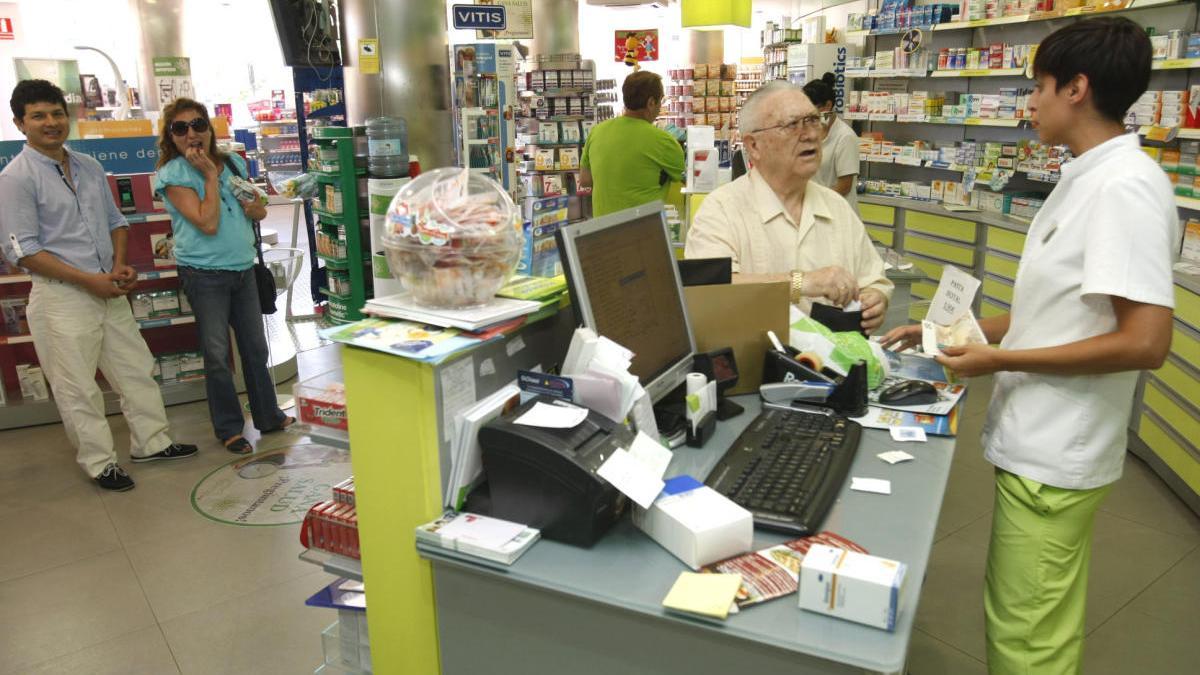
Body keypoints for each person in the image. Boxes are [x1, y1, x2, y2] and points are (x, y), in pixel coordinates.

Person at [882, 18, 1177, 674]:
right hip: (1038, 443)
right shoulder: (1085, 175)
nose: (1030, 102)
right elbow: (1054, 313)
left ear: (1077, 88)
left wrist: (1000, 360)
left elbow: (1147, 341)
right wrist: (950, 334)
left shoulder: (1122, 187)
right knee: (1029, 616)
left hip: (1057, 447)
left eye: (1039, 85)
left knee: (1027, 641)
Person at [0, 79, 197, 491]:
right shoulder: (15, 178)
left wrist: (120, 266)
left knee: (136, 370)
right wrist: (89, 280)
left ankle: (152, 442)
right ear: (21, 124)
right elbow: (23, 251)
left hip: (109, 289)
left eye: (56, 113)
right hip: (62, 298)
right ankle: (99, 462)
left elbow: (116, 222)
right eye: (38, 116)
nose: (51, 122)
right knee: (77, 387)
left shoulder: (88, 166)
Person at [684, 81, 892, 334]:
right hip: (756, 366)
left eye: (814, 120)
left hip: (836, 366)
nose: (811, 134)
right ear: (754, 146)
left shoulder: (837, 208)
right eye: (792, 125)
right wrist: (800, 283)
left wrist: (875, 300)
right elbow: (712, 293)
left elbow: (874, 280)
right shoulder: (721, 210)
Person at [153, 98, 292, 455]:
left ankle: (268, 416)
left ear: (209, 129)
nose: (192, 133)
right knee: (217, 355)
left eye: (198, 124)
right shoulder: (172, 175)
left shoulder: (233, 162)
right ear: (171, 136)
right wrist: (210, 179)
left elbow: (257, 210)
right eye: (180, 128)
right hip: (204, 274)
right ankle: (229, 428)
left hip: (243, 267)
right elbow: (207, 222)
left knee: (255, 348)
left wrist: (255, 207)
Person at [580, 71, 685, 217]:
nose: (661, 106)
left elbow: (585, 181)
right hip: (642, 230)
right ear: (651, 103)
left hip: (603, 230)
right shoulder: (664, 141)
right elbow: (685, 177)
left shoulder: (596, 132)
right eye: (661, 100)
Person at [802, 72, 860, 210]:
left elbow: (845, 186)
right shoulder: (810, 132)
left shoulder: (845, 137)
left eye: (810, 109)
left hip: (838, 214)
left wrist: (814, 202)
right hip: (816, 211)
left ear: (827, 105)